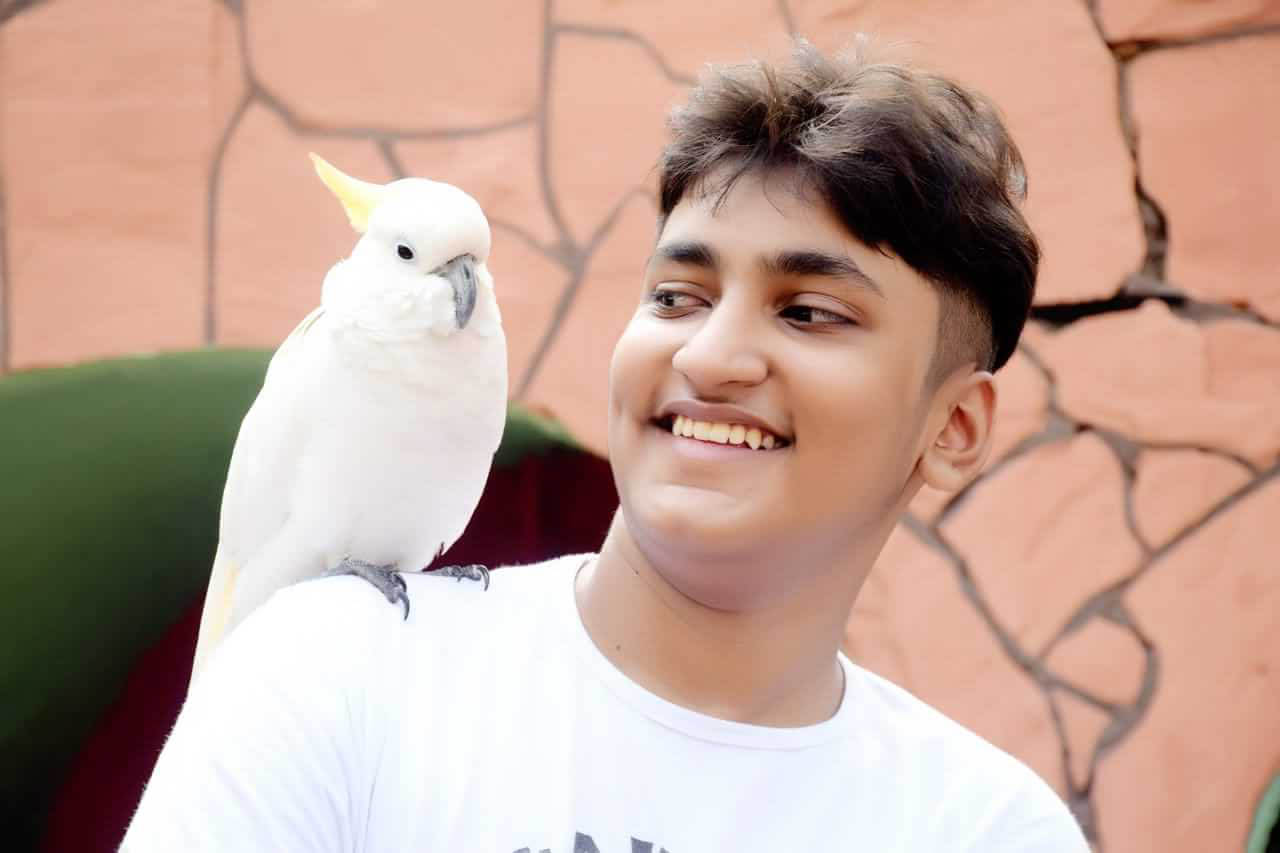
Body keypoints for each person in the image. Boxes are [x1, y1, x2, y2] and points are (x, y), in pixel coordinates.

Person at [122, 39, 1089, 852]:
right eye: (678, 297)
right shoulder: (334, 675)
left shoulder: (989, 828)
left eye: (808, 312)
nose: (710, 357)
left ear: (952, 428)